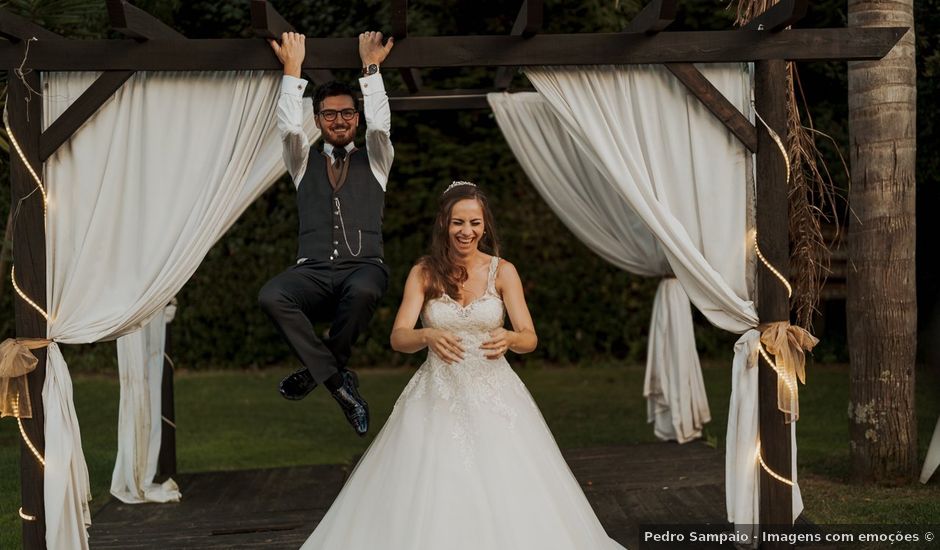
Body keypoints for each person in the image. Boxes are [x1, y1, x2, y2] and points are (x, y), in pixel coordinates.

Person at [300, 182, 626, 549]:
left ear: (485, 225)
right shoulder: (424, 272)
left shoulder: (503, 272)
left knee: (508, 482)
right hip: (436, 395)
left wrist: (511, 338)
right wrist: (427, 336)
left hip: (495, 393)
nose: (466, 231)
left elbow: (530, 336)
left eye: (474, 222)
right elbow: (399, 336)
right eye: (458, 222)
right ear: (444, 223)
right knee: (432, 483)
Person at [258, 31, 395, 436]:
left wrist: (371, 70)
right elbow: (287, 130)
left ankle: (319, 372)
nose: (339, 120)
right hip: (313, 270)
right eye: (330, 114)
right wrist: (292, 70)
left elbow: (381, 125)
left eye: (347, 113)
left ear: (357, 116)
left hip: (363, 267)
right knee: (272, 295)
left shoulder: (378, 157)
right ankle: (338, 383)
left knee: (367, 290)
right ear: (317, 120)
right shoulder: (302, 161)